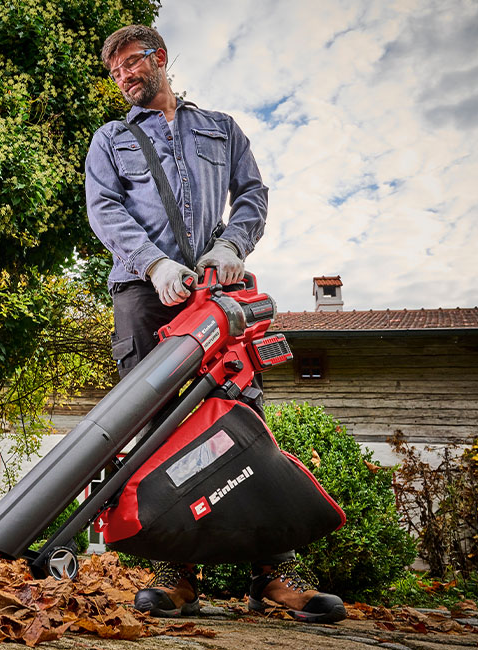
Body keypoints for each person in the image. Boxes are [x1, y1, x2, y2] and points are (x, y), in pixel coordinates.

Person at [85, 24, 346, 624]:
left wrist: (232, 246)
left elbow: (252, 193)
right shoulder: (111, 139)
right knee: (152, 423)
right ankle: (177, 574)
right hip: (145, 294)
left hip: (217, 290)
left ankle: (274, 573)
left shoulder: (221, 129)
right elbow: (105, 208)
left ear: (160, 58)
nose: (124, 77)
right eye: (115, 71)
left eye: (131, 63)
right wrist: (152, 264)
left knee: (242, 412)